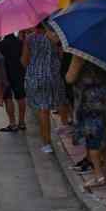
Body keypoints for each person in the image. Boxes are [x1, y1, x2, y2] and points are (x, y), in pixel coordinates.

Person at [66, 56, 106, 190]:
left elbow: (70, 77)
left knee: (93, 136)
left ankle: (98, 175)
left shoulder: (81, 53)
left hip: (90, 99)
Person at [23, 22, 68, 153]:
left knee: (43, 111)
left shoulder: (29, 39)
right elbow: (61, 56)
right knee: (61, 101)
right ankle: (65, 126)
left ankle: (47, 144)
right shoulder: (55, 37)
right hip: (53, 76)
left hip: (35, 78)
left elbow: (24, 61)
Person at [0, 32, 26, 132]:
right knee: (21, 97)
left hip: (5, 74)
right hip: (19, 73)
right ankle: (22, 122)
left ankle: (12, 124)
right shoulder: (20, 43)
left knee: (8, 98)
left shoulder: (0, 45)